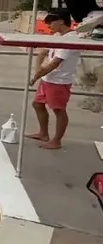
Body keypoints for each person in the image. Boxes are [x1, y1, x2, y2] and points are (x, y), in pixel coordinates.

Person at [27, 10, 80, 149]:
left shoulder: (71, 39)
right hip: (48, 78)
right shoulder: (58, 36)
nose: (48, 25)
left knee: (58, 109)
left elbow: (55, 63)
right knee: (37, 104)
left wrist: (37, 75)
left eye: (51, 22)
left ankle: (57, 140)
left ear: (61, 21)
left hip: (59, 81)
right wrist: (37, 72)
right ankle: (43, 133)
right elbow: (43, 52)